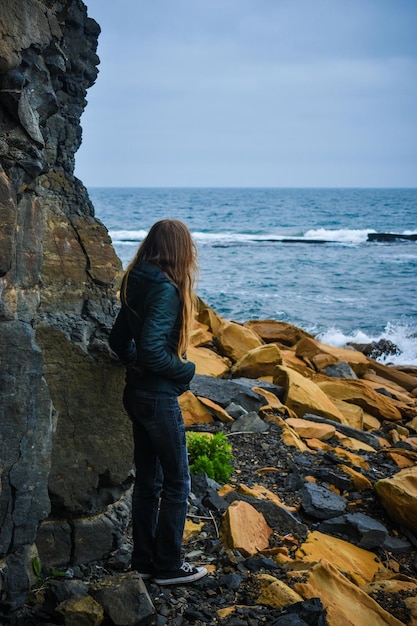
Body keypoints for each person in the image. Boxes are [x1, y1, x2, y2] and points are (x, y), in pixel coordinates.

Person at [109, 219, 207, 585]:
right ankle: (168, 565)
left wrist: (137, 363)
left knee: (149, 481)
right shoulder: (166, 289)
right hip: (156, 397)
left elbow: (119, 341)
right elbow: (151, 350)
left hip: (136, 393)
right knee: (178, 481)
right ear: (181, 250)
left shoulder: (137, 280)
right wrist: (184, 371)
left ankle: (144, 561)